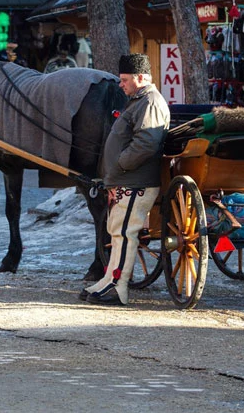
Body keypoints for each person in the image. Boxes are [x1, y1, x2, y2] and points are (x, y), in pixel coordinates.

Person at [80, 53, 170, 306]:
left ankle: (118, 287)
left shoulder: (150, 102)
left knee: (124, 233)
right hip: (127, 180)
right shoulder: (139, 101)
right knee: (117, 232)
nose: (120, 84)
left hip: (135, 181)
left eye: (124, 79)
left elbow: (146, 144)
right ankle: (109, 279)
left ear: (140, 78)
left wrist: (119, 166)